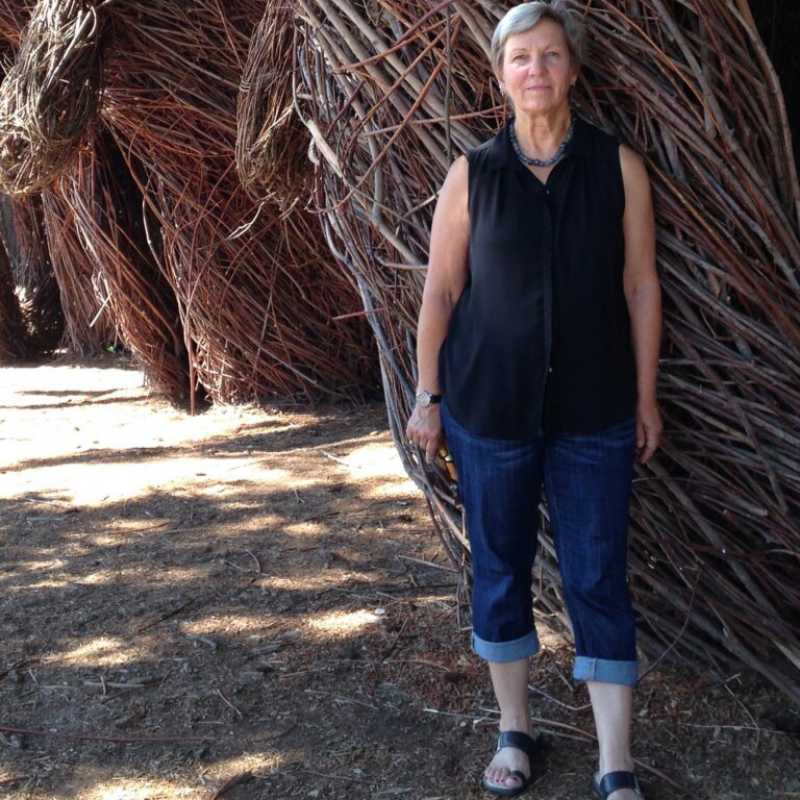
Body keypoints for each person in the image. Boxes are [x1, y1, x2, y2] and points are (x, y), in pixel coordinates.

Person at [405, 2, 662, 798]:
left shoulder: (617, 166)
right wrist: (427, 397)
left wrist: (647, 399)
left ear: (573, 70)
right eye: (521, 58)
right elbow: (441, 292)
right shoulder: (472, 173)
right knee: (500, 569)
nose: (537, 71)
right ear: (501, 74)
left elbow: (641, 286)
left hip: (596, 410)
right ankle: (514, 732)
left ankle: (614, 763)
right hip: (491, 411)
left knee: (597, 577)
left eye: (551, 56)